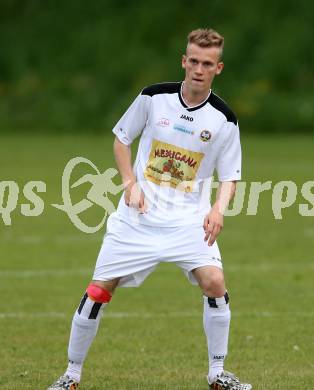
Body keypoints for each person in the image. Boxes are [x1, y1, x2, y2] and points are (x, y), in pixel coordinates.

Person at [48, 28, 252, 390]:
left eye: (207, 63)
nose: (198, 69)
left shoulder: (224, 119)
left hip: (188, 222)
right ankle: (71, 375)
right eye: (193, 61)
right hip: (136, 219)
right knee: (98, 289)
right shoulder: (153, 97)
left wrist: (218, 209)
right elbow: (121, 139)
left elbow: (231, 176)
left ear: (218, 68)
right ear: (183, 61)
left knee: (215, 282)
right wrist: (131, 183)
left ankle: (218, 374)